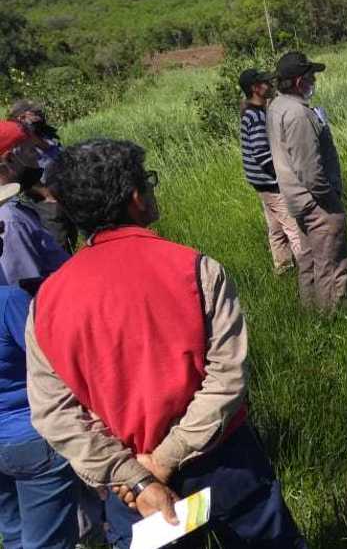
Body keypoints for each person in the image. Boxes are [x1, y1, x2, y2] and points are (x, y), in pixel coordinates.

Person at [26, 139, 308, 548]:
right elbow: (227, 378)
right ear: (135, 197)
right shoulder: (195, 269)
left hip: (133, 491)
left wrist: (135, 476)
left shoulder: (46, 303)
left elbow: (55, 413)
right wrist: (163, 460)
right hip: (223, 462)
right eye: (147, 181)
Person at [0, 183, 80, 549]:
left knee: (14, 533)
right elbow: (55, 361)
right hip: (31, 434)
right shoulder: (10, 302)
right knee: (47, 541)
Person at [266, 51, 347, 310]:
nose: (314, 80)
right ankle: (332, 319)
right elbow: (310, 171)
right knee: (331, 266)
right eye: (311, 76)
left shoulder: (277, 105)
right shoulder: (298, 115)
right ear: (299, 81)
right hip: (316, 202)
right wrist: (330, 199)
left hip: (297, 199)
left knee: (309, 261)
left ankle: (311, 315)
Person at [239, 68, 302, 275]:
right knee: (293, 228)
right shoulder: (255, 116)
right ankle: (308, 272)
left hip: (261, 184)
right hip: (270, 183)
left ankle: (283, 268)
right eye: (265, 83)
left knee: (275, 228)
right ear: (255, 89)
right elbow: (261, 153)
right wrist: (282, 175)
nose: (270, 85)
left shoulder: (254, 111)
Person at [0, 121, 69, 294]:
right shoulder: (9, 219)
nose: (38, 157)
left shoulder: (13, 210)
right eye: (31, 150)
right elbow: (25, 292)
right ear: (9, 158)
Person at [8, 101, 75, 253]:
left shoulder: (41, 133)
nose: (40, 116)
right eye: (36, 113)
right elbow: (22, 174)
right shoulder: (17, 141)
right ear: (22, 117)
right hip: (46, 200)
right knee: (59, 243)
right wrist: (47, 195)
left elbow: (54, 151)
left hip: (65, 192)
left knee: (71, 234)